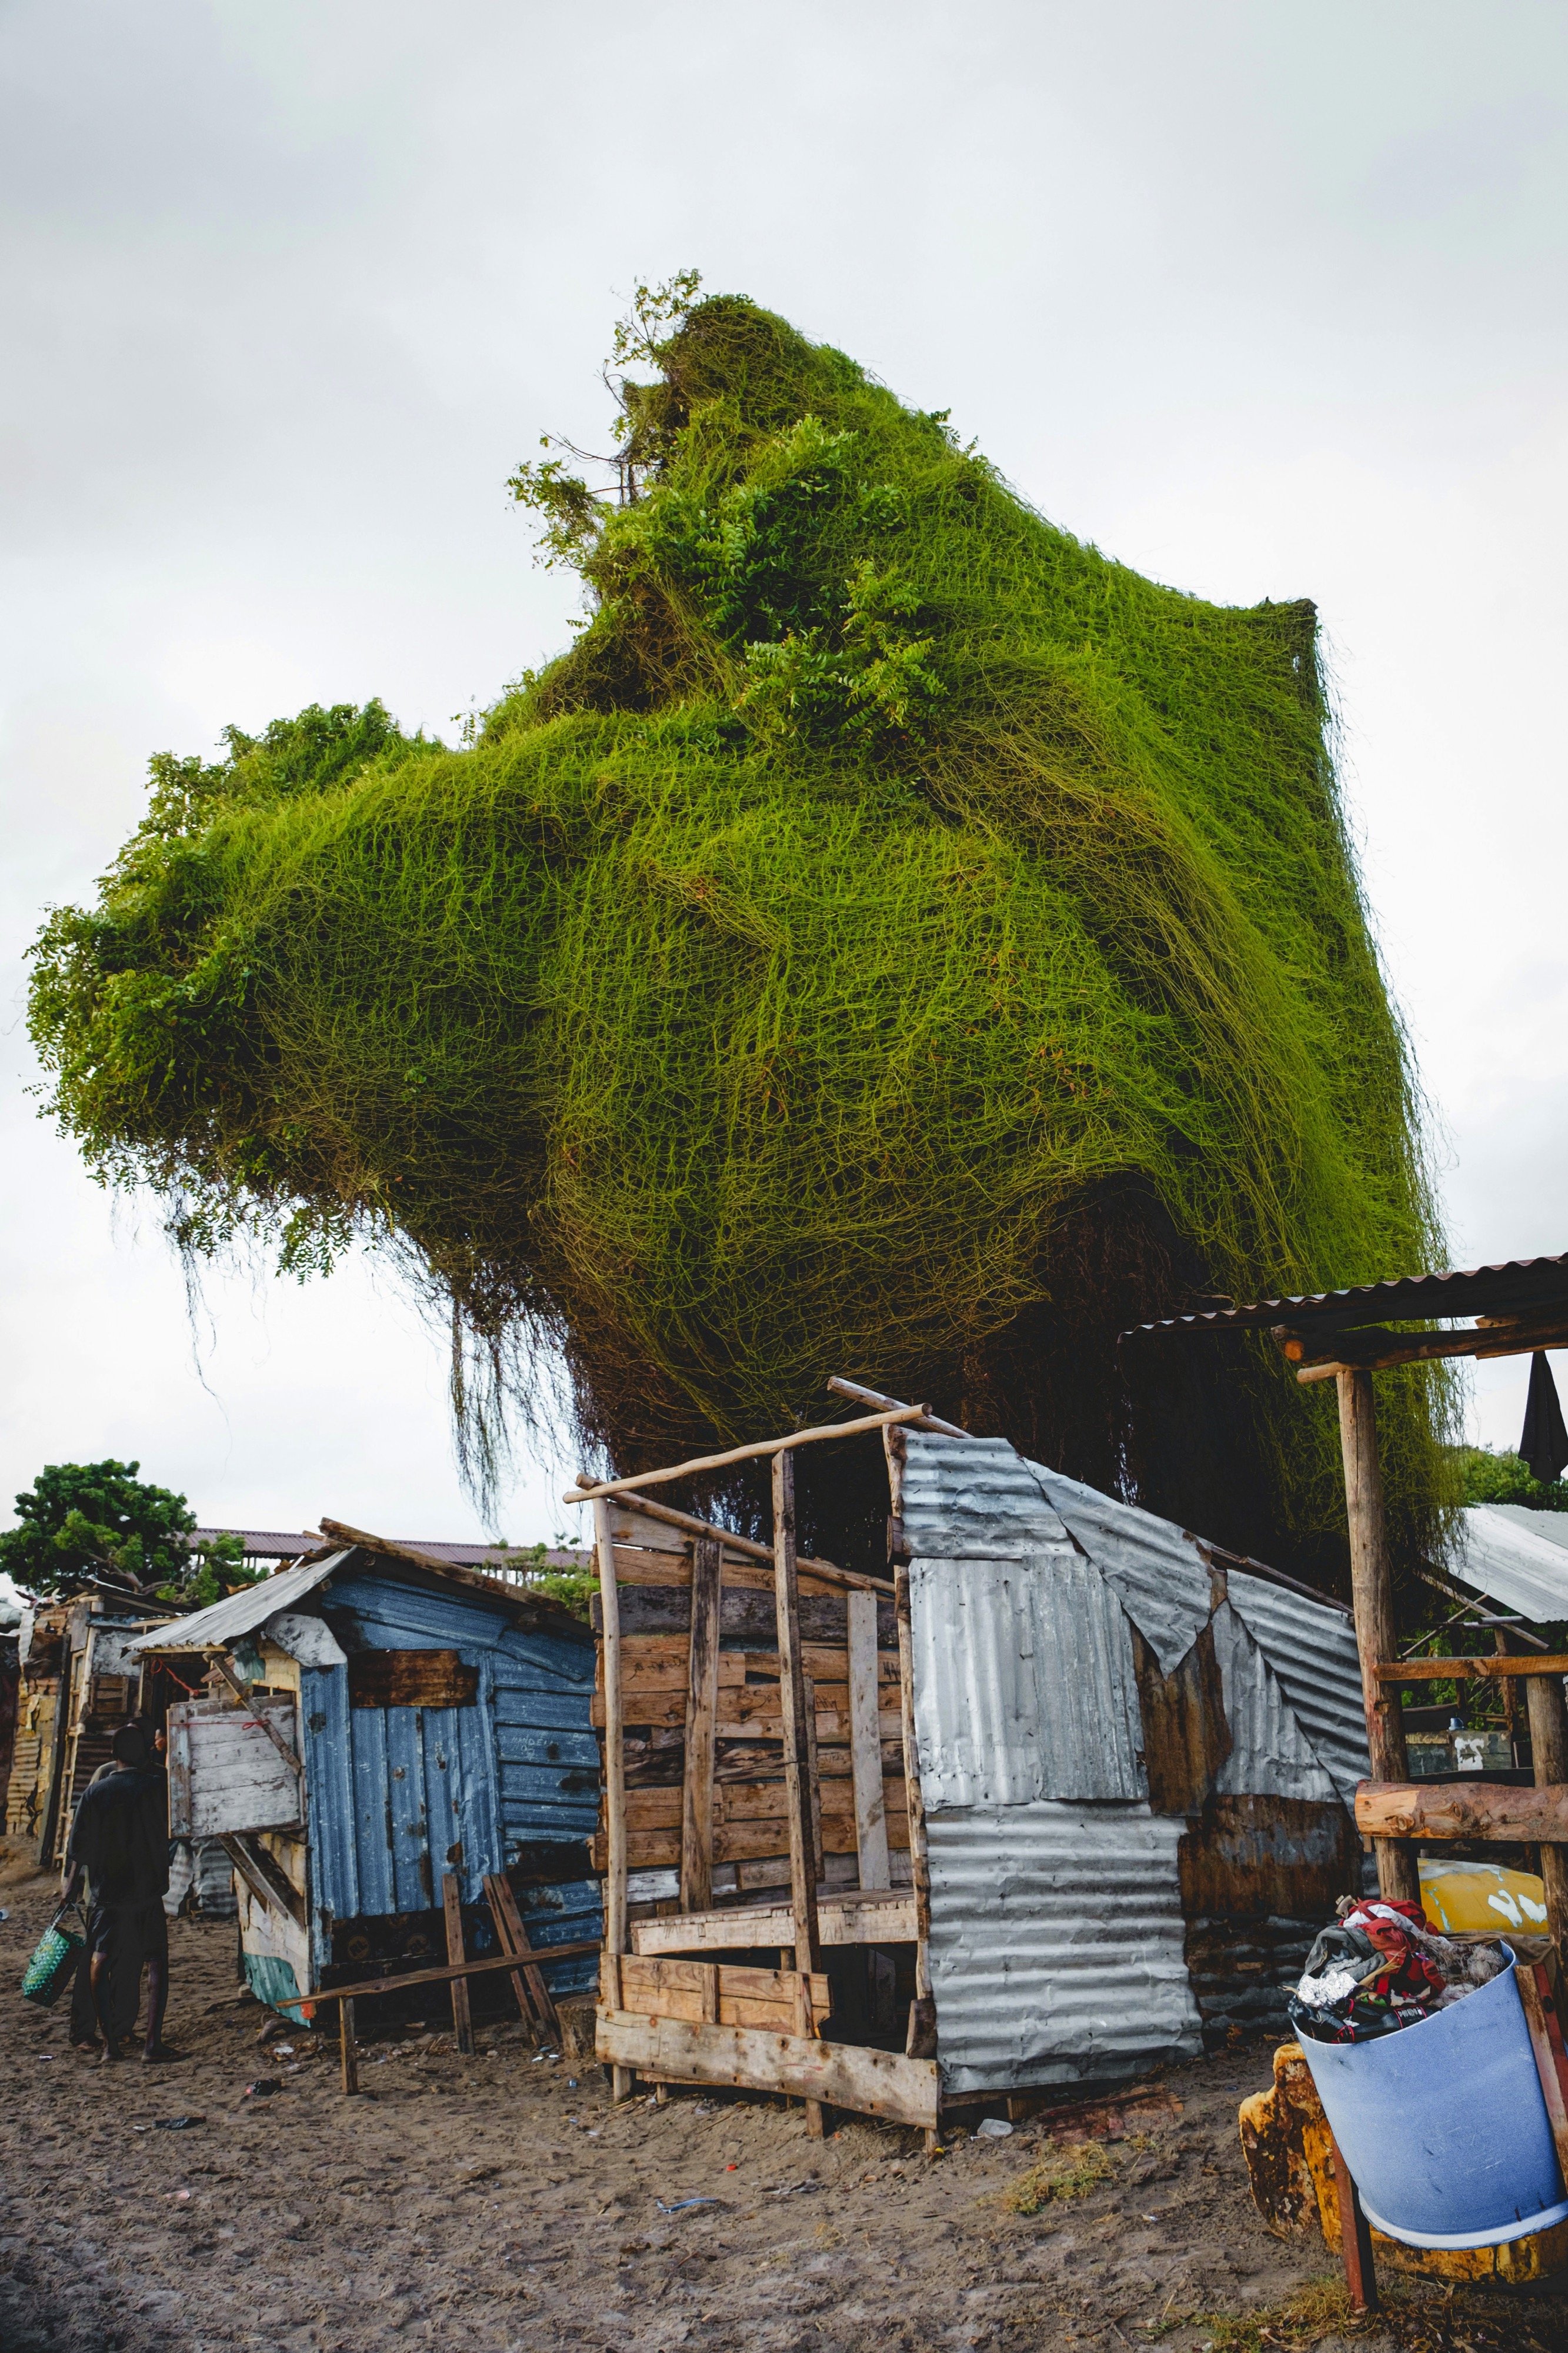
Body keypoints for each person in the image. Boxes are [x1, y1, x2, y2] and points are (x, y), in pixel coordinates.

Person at [60, 1721, 175, 2063]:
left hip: (107, 1889)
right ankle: (147, 2044)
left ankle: (113, 2041)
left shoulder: (98, 1789)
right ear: (144, 1749)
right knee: (153, 1961)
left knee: (103, 1958)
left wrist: (70, 1882)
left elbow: (79, 1845)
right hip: (145, 1888)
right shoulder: (158, 1783)